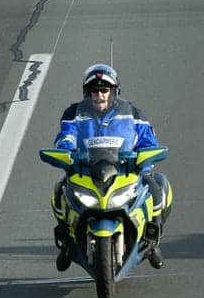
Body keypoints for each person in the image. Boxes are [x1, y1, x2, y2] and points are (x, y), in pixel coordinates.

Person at [50, 63, 172, 271]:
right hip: (86, 170)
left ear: (113, 91)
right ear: (87, 92)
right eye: (94, 90)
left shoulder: (133, 113)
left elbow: (149, 142)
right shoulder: (74, 113)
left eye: (104, 90)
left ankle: (152, 242)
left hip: (126, 169)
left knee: (157, 187)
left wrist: (144, 157)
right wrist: (66, 150)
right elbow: (66, 136)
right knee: (60, 190)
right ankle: (67, 244)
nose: (99, 95)